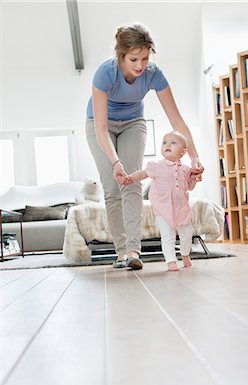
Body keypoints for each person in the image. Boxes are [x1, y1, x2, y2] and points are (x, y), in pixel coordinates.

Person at [86, 23, 204, 270]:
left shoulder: (153, 73)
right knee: (111, 186)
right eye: (133, 59)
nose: (140, 65)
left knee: (132, 182)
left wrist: (194, 157)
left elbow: (177, 121)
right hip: (100, 125)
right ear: (121, 56)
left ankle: (133, 251)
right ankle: (120, 252)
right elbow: (100, 128)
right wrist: (115, 162)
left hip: (133, 123)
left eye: (145, 58)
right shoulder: (104, 74)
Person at [123, 130, 200, 271]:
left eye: (173, 142)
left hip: (182, 209)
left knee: (187, 235)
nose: (167, 145)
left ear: (183, 152)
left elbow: (190, 187)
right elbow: (143, 174)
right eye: (164, 142)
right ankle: (171, 261)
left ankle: (185, 255)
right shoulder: (156, 166)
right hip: (163, 209)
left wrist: (194, 178)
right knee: (168, 236)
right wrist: (131, 178)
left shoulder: (186, 169)